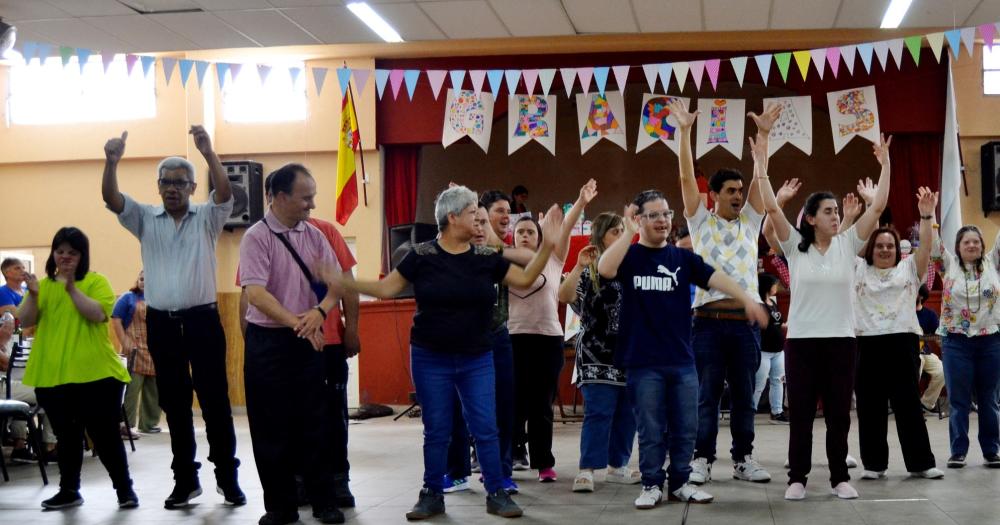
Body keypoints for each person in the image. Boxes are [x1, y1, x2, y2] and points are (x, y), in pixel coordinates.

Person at [326, 186, 564, 520]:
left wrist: (550, 244)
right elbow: (385, 288)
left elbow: (525, 278)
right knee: (437, 429)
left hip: (477, 357)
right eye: (472, 213)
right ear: (452, 218)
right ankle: (431, 493)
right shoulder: (422, 255)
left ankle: (496, 491)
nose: (479, 221)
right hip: (430, 356)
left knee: (485, 427)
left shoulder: (485, 258)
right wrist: (341, 282)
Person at [597, 189, 768, 509]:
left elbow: (718, 277)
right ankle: (651, 483)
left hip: (681, 360)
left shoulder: (681, 259)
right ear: (639, 219)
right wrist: (629, 234)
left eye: (666, 214)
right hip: (643, 362)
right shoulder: (630, 257)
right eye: (654, 215)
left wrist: (747, 299)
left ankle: (679, 483)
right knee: (650, 427)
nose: (662, 220)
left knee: (686, 426)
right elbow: (605, 269)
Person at [756, 102, 893, 500]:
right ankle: (797, 477)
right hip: (801, 342)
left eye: (837, 211)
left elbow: (879, 206)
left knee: (837, 415)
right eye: (828, 212)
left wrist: (885, 166)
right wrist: (763, 149)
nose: (836, 217)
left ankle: (838, 477)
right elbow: (768, 206)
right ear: (811, 218)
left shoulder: (849, 244)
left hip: (841, 341)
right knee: (800, 415)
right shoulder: (794, 249)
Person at [102, 128, 244, 508]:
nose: (171, 188)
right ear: (158, 186)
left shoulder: (208, 218)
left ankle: (228, 479)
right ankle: (186, 481)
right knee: (175, 406)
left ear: (193, 187)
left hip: (203, 322)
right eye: (165, 182)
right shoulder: (146, 219)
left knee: (215, 402)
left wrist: (209, 152)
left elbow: (227, 194)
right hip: (162, 326)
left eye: (180, 183)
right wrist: (111, 162)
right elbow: (112, 200)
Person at [671, 98, 777, 485]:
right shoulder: (700, 224)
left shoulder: (750, 222)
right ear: (713, 194)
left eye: (739, 189)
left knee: (746, 397)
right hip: (708, 324)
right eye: (729, 190)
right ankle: (701, 459)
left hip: (744, 325)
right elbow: (685, 180)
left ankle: (744, 458)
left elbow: (760, 187)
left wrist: (763, 140)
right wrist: (684, 133)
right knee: (707, 396)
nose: (737, 195)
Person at [239, 163, 347, 525]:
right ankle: (281, 507)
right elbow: (255, 293)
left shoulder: (315, 236)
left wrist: (319, 311)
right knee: (270, 427)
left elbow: (337, 285)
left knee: (315, 422)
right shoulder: (256, 236)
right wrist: (300, 322)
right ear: (280, 197)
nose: (311, 205)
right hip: (268, 341)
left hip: (307, 339)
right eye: (306, 197)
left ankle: (324, 502)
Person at [17, 227, 137, 509]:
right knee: (66, 437)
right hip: (53, 376)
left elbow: (97, 314)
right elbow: (24, 321)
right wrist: (33, 295)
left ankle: (125, 491)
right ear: (53, 254)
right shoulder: (42, 286)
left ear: (83, 256)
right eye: (60, 252)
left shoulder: (96, 282)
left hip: (97, 375)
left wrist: (71, 288)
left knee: (105, 436)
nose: (65, 257)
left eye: (72, 252)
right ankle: (70, 490)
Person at [852, 188, 943, 481]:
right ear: (871, 248)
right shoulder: (858, 269)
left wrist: (926, 215)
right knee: (870, 407)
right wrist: (870, 207)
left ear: (898, 250)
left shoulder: (909, 270)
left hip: (903, 341)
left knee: (908, 406)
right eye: (879, 245)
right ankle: (874, 465)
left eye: (890, 246)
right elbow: (855, 239)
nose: (885, 249)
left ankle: (921, 463)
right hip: (867, 343)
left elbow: (926, 248)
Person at [509, 179, 596, 483]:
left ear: (539, 236)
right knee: (513, 404)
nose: (525, 235)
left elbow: (564, 229)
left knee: (541, 405)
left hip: (547, 339)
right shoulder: (505, 262)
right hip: (513, 339)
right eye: (520, 231)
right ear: (513, 237)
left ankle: (543, 463)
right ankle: (506, 459)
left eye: (530, 231)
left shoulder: (553, 259)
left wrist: (581, 201)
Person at [444, 202, 525, 495]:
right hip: (459, 341)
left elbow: (528, 259)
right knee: (455, 408)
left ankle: (501, 473)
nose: (478, 228)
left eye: (483, 222)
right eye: (473, 221)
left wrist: (492, 240)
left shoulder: (496, 256)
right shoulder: (450, 257)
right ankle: (455, 472)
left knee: (502, 406)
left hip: (496, 337)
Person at [559, 211, 639, 493]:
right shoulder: (589, 267)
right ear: (601, 235)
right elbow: (565, 296)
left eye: (623, 231)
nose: (621, 236)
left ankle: (618, 466)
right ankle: (587, 469)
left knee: (627, 413)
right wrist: (579, 266)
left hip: (629, 354)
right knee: (599, 412)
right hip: (596, 355)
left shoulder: (631, 267)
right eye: (615, 231)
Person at [930, 220, 1000, 469]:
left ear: (983, 245)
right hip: (956, 341)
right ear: (958, 247)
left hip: (990, 340)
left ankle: (992, 450)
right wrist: (929, 219)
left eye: (976, 241)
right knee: (958, 400)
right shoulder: (948, 265)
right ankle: (958, 451)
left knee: (989, 399)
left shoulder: (994, 262)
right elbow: (934, 249)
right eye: (966, 241)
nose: (972, 244)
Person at [0, 313, 57, 462]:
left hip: (8, 385)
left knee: (26, 394)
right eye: (9, 328)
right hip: (2, 387)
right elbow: (6, 364)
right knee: (51, 392)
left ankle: (20, 446)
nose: (12, 332)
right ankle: (49, 447)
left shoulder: (5, 343)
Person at [111, 270, 161, 436]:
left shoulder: (159, 299)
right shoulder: (127, 298)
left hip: (154, 349)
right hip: (132, 349)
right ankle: (125, 425)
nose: (143, 282)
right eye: (141, 279)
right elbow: (116, 318)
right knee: (131, 388)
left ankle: (149, 423)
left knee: (154, 388)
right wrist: (124, 341)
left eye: (147, 280)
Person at [752, 273, 788, 424]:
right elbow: (761, 323)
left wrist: (783, 325)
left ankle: (777, 412)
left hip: (778, 350)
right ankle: (749, 411)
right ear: (767, 286)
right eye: (774, 284)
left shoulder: (772, 302)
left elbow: (776, 322)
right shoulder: (758, 304)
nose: (776, 287)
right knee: (759, 383)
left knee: (778, 381)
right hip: (764, 350)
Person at [915, 285, 945, 412]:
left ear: (921, 296)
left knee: (943, 370)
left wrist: (943, 347)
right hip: (908, 354)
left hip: (926, 352)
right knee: (918, 362)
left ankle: (926, 403)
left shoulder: (930, 315)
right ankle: (910, 403)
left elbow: (938, 337)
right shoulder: (904, 314)